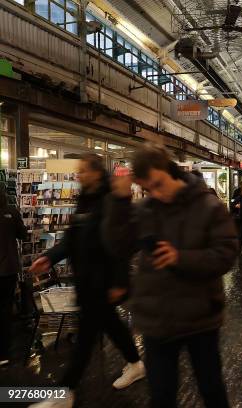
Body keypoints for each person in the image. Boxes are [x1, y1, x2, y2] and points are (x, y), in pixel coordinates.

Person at [104, 144, 238, 408]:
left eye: (158, 184)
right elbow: (117, 246)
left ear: (169, 170)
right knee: (162, 395)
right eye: (147, 188)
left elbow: (227, 254)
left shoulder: (208, 206)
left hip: (200, 317)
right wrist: (118, 204)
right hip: (156, 319)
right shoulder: (146, 209)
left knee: (211, 389)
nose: (156, 193)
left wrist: (181, 258)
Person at [30, 154, 144, 408]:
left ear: (95, 172)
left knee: (84, 340)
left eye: (82, 171)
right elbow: (72, 239)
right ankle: (136, 363)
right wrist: (49, 257)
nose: (78, 175)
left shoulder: (110, 200)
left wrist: (117, 282)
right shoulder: (85, 200)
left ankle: (65, 393)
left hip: (101, 282)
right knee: (111, 325)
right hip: (86, 281)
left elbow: (120, 245)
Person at [0, 184, 27, 367]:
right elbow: (23, 235)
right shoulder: (11, 212)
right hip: (8, 269)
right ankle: (3, 353)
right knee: (4, 310)